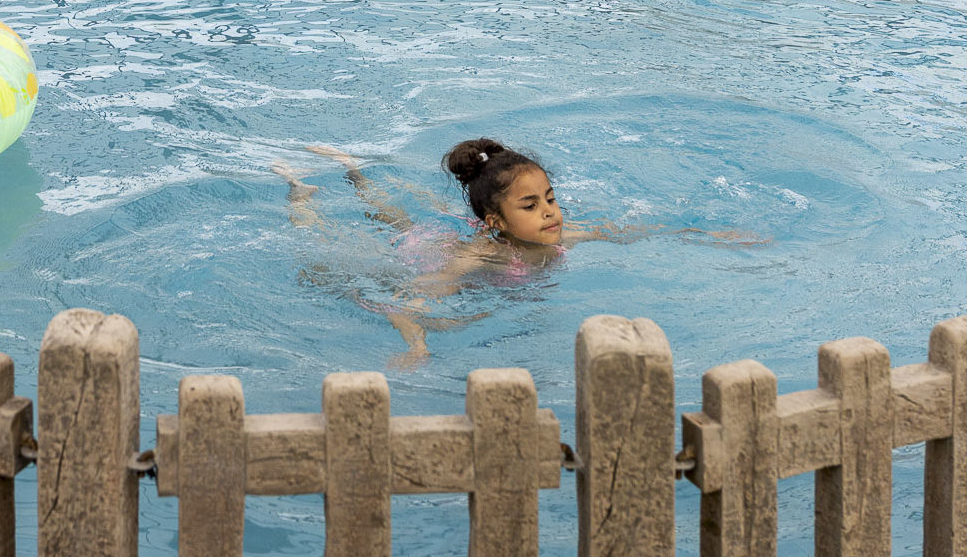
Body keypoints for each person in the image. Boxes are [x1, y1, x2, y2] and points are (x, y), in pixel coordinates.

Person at [275, 137, 765, 368]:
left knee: (395, 214)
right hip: (426, 248)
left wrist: (708, 236)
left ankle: (351, 170)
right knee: (379, 224)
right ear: (496, 223)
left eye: (550, 197)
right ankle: (306, 191)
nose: (550, 213)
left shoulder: (561, 236)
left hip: (451, 230)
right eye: (531, 206)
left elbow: (635, 231)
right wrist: (417, 345)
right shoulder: (479, 258)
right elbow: (412, 300)